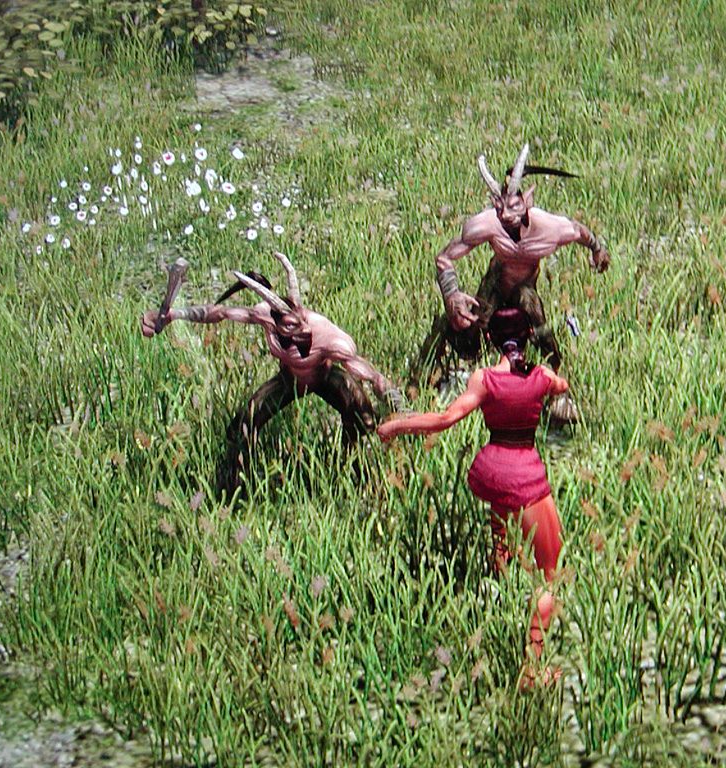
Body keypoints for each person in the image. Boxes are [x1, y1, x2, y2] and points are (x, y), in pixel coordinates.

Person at [380, 308, 566, 686]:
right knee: (551, 574)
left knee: (505, 531)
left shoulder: (483, 379)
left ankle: (498, 579)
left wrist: (397, 425)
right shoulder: (542, 377)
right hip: (524, 476)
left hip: (490, 471)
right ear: (529, 336)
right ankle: (532, 669)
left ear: (491, 340)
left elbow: (445, 419)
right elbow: (560, 386)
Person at [141, 252, 405, 496]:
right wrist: (175, 315)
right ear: (276, 324)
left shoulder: (328, 337)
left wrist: (397, 404)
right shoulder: (266, 318)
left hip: (326, 378)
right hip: (288, 381)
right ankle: (235, 487)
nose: (303, 331)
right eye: (291, 326)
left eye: (302, 322)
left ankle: (358, 474)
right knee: (243, 426)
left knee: (363, 419)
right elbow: (221, 312)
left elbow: (369, 374)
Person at [410, 142, 610, 425]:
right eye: (499, 207)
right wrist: (451, 293)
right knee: (464, 331)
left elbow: (579, 232)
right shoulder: (486, 224)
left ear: (527, 200)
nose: (505, 215)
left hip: (525, 288)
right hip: (495, 283)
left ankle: (558, 398)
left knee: (541, 332)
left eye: (513, 206)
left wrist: (597, 248)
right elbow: (444, 257)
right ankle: (422, 379)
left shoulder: (549, 227)